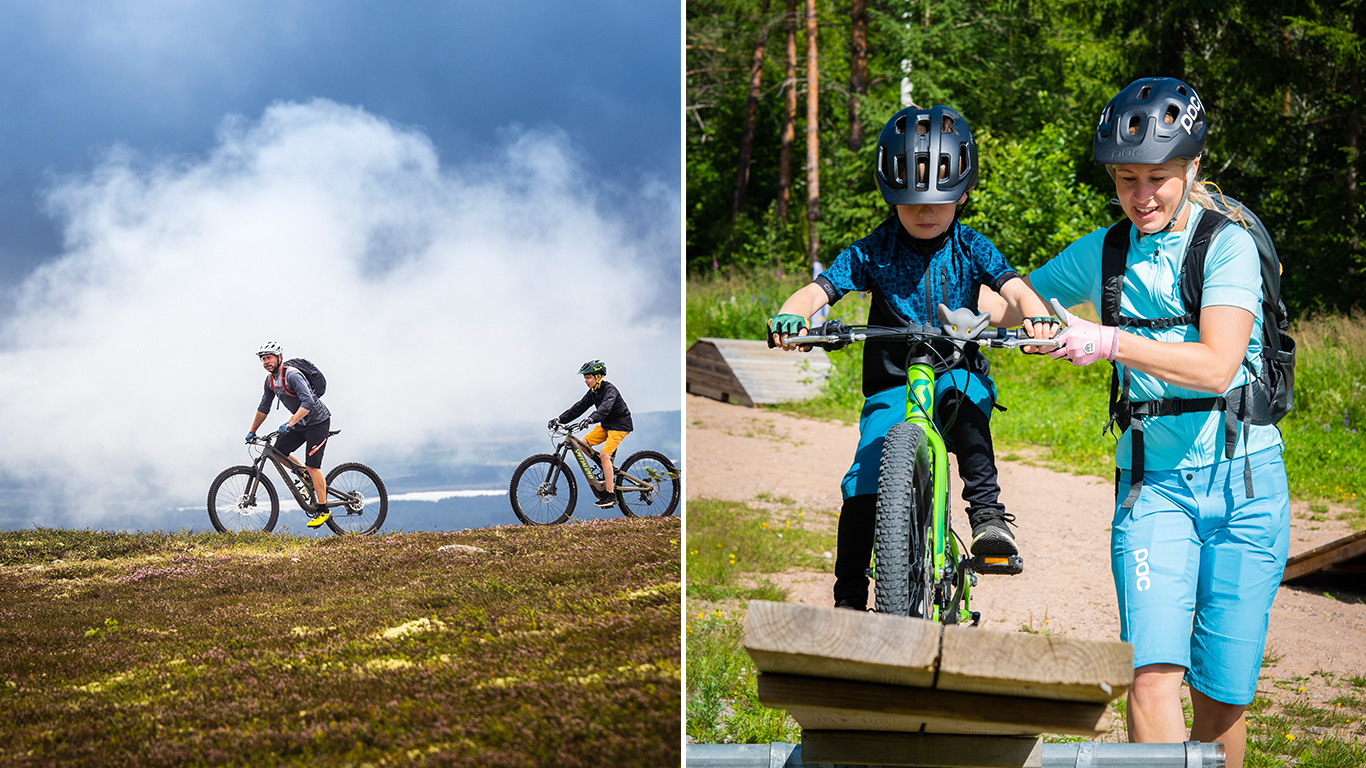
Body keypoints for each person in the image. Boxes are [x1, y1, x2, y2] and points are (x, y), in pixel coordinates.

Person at [1022, 77, 1289, 768]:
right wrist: (1004, 306)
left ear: (1192, 167)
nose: (1142, 197)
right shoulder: (1106, 251)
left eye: (1159, 179)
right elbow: (1017, 295)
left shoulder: (1225, 246)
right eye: (1126, 179)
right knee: (1152, 674)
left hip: (1247, 485)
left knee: (1223, 698)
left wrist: (1106, 340)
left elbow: (1217, 366)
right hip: (1154, 488)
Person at [767, 104, 1057, 611]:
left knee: (966, 411)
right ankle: (850, 601)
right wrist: (792, 315)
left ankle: (987, 517)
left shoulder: (971, 246)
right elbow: (820, 289)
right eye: (910, 202)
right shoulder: (874, 249)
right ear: (889, 195)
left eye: (940, 202)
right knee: (861, 485)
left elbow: (1013, 286)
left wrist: (1036, 317)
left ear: (963, 194)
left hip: (955, 371)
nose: (925, 213)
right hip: (892, 382)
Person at [246, 341, 335, 528]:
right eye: (263, 359)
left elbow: (308, 402)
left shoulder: (293, 376)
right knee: (278, 451)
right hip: (300, 422)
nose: (266, 362)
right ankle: (304, 475)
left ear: (279, 358)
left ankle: (323, 510)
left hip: (318, 422)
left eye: (269, 358)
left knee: (313, 466)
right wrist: (252, 430)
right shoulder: (270, 381)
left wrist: (289, 423)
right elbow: (264, 407)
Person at [550, 360, 634, 509]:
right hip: (606, 425)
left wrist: (591, 418)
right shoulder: (593, 392)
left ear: (599, 376)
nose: (586, 381)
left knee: (604, 455)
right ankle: (604, 465)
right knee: (583, 443)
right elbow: (579, 407)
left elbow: (605, 407)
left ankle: (610, 494)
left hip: (620, 425)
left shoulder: (609, 390)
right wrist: (560, 419)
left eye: (588, 377)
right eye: (585, 378)